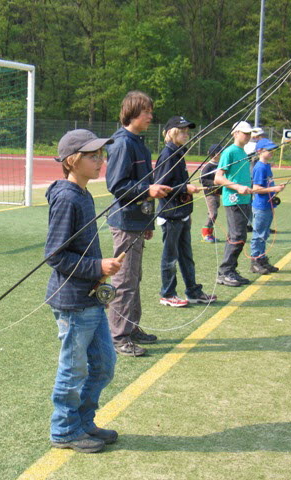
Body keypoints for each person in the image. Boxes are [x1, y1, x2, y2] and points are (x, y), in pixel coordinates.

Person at [45, 129, 122, 454]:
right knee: (73, 369)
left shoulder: (83, 193)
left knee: (103, 363)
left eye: (101, 155)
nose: (100, 161)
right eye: (93, 156)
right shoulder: (66, 197)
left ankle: (82, 421)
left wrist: (98, 272)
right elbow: (55, 254)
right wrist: (97, 268)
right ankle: (64, 430)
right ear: (72, 161)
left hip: (90, 297)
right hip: (73, 302)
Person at [105, 91, 172, 357]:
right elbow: (117, 186)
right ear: (133, 112)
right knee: (124, 280)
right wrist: (148, 191)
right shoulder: (123, 144)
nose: (151, 117)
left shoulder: (138, 143)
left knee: (134, 277)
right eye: (147, 112)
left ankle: (131, 328)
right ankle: (119, 336)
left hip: (137, 221)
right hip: (124, 222)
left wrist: (148, 223)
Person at [154, 116, 217, 307]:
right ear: (172, 132)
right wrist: (184, 188)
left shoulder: (179, 153)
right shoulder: (168, 155)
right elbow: (160, 186)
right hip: (171, 215)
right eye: (182, 131)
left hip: (182, 214)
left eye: (187, 131)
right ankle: (168, 293)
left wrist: (185, 187)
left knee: (186, 256)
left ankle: (193, 291)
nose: (186, 134)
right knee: (170, 257)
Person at [214, 120, 254, 287]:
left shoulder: (243, 153)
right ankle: (225, 272)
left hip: (244, 199)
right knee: (237, 236)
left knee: (240, 236)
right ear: (235, 133)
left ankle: (231, 269)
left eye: (249, 133)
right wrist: (237, 187)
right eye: (245, 132)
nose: (248, 135)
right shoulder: (229, 152)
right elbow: (218, 177)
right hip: (234, 200)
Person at [249, 138, 285, 274]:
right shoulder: (259, 167)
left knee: (264, 234)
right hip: (261, 206)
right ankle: (255, 261)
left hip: (268, 205)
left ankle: (262, 259)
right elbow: (256, 188)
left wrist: (276, 188)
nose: (271, 152)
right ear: (259, 151)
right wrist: (274, 189)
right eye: (268, 150)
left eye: (272, 150)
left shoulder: (267, 166)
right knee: (258, 234)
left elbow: (267, 185)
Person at [200, 144, 223, 243]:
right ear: (214, 154)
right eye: (219, 152)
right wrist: (214, 183)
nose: (221, 154)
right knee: (213, 213)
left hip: (217, 193)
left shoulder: (221, 165)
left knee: (213, 212)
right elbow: (203, 180)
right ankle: (206, 234)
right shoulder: (208, 167)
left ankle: (210, 233)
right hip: (210, 193)